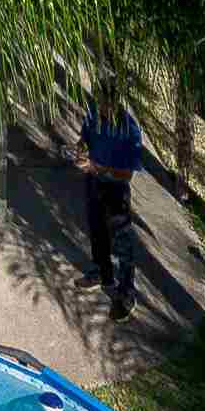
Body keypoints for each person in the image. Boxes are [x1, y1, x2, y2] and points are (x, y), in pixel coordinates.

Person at [79, 99, 143, 322]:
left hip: (116, 191)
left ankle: (126, 293)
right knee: (97, 232)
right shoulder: (93, 116)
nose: (102, 109)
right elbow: (84, 140)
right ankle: (102, 274)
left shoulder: (130, 130)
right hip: (93, 184)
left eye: (107, 103)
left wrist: (97, 167)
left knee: (123, 243)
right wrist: (81, 151)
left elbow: (126, 175)